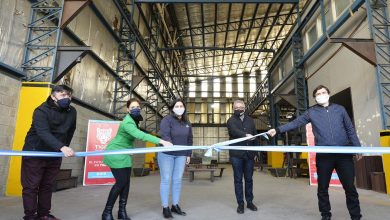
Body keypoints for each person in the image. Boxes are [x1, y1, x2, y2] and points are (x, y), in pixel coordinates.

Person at [267, 85, 362, 220]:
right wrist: (277, 129)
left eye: (323, 92)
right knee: (322, 188)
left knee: (350, 188)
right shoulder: (311, 112)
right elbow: (296, 123)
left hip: (343, 154)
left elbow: (350, 129)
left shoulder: (340, 109)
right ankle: (325, 215)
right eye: (318, 93)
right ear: (315, 97)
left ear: (328, 94)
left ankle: (356, 216)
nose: (321, 95)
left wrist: (357, 148)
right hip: (324, 156)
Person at [102, 98, 172, 220]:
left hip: (125, 154)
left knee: (126, 183)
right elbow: (140, 135)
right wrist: (161, 141)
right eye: (133, 107)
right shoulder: (128, 122)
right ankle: (106, 213)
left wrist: (131, 149)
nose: (136, 109)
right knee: (121, 183)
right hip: (115, 154)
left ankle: (121, 212)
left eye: (138, 107)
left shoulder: (134, 121)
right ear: (128, 109)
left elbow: (128, 138)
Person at [21, 85, 77, 220]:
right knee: (31, 186)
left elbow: (70, 130)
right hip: (35, 152)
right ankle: (30, 216)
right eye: (63, 95)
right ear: (53, 96)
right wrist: (62, 147)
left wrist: (64, 147)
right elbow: (43, 132)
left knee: (47, 185)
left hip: (54, 154)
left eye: (69, 95)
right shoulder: (41, 111)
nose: (67, 98)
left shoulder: (72, 111)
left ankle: (44, 214)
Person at [158, 99, 193, 219]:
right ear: (172, 108)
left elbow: (190, 139)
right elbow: (165, 134)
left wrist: (188, 154)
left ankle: (175, 205)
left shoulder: (187, 122)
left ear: (184, 108)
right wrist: (171, 145)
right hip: (166, 154)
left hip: (181, 154)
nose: (179, 107)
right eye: (177, 106)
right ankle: (165, 207)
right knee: (166, 179)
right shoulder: (166, 120)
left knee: (178, 179)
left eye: (181, 105)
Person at [226, 100, 259, 214]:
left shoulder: (250, 120)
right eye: (237, 107)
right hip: (237, 155)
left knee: (249, 179)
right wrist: (245, 135)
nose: (239, 108)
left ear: (245, 108)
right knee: (238, 180)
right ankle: (240, 204)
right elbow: (234, 131)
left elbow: (255, 135)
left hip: (249, 154)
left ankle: (249, 202)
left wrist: (255, 152)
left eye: (241, 107)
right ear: (233, 108)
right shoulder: (230, 120)